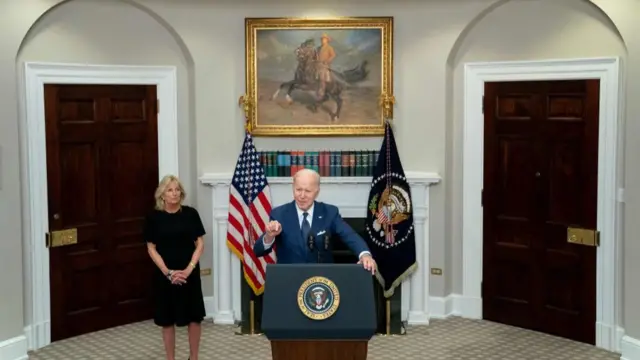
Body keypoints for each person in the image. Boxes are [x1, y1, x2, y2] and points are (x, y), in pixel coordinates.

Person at [253, 168, 377, 273]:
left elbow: (349, 235)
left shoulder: (329, 212)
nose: (302, 195)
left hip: (322, 282)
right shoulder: (279, 214)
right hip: (289, 280)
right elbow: (258, 251)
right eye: (298, 190)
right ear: (293, 188)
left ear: (317, 192)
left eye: (307, 191)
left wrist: (365, 254)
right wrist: (269, 236)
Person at [143, 175, 206, 360]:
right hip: (165, 275)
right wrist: (168, 272)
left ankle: (193, 357)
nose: (174, 193)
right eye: (170, 190)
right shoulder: (153, 217)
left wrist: (189, 269)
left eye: (177, 189)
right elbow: (151, 248)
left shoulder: (190, 214)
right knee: (167, 319)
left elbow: (200, 244)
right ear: (162, 194)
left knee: (194, 317)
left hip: (189, 273)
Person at [315, 33, 336, 99]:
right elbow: (316, 56)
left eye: (324, 39)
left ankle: (321, 94)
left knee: (322, 79)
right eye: (322, 39)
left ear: (327, 40)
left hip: (325, 66)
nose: (322, 40)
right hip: (318, 65)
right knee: (316, 79)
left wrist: (327, 61)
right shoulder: (318, 48)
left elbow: (333, 55)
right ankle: (317, 92)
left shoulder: (329, 48)